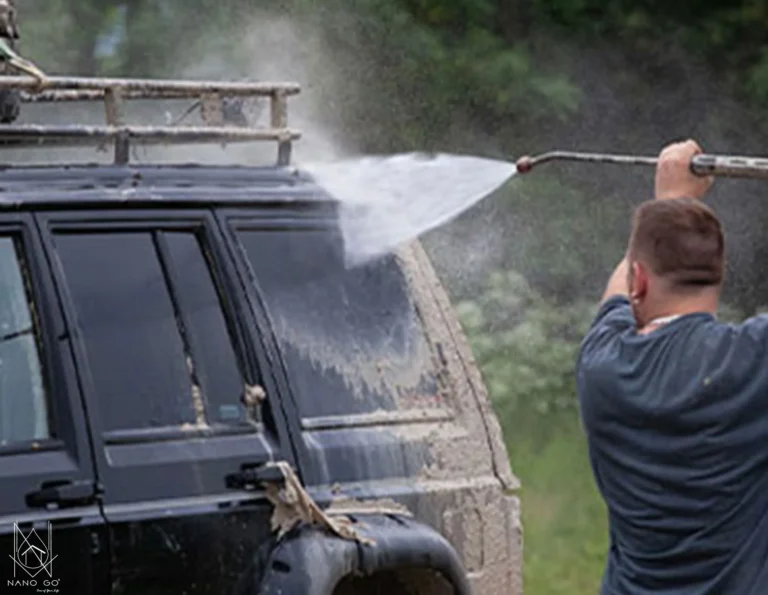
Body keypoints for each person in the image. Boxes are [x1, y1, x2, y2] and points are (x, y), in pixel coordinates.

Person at [576, 139, 768, 594]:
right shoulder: (751, 361)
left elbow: (615, 298)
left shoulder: (602, 368)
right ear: (720, 272)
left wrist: (671, 201)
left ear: (639, 278)